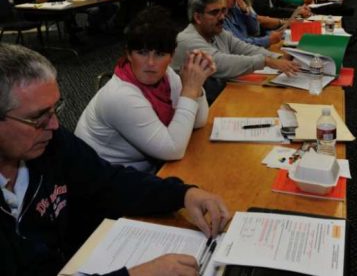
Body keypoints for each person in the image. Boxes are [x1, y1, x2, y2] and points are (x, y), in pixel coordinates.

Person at [0, 43, 229, 276]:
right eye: (37, 117)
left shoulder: (51, 142)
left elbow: (108, 182)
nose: (55, 125)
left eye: (55, 109)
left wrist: (183, 194)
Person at [75, 8, 214, 171]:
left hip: (142, 166)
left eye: (160, 54)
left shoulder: (166, 75)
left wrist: (196, 85)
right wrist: (190, 90)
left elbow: (198, 122)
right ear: (128, 54)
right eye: (142, 53)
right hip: (104, 176)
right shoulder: (120, 96)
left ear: (172, 55)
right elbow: (172, 150)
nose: (151, 63)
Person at [172, 0, 299, 102]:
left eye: (223, 11)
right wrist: (266, 61)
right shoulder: (187, 40)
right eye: (215, 12)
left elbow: (246, 49)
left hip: (217, 98)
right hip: (198, 107)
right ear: (198, 18)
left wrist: (277, 58)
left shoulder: (218, 33)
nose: (222, 17)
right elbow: (219, 63)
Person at [204, 0, 282, 48]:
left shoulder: (234, 10)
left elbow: (255, 30)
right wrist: (267, 40)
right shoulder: (217, 20)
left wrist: (245, 10)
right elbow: (239, 46)